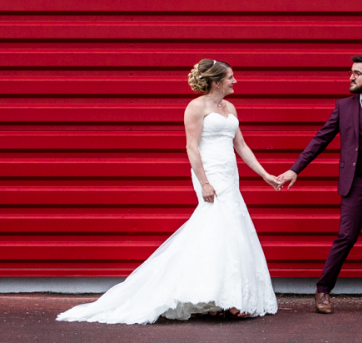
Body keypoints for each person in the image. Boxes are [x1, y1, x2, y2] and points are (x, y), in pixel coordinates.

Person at [57, 59, 281, 323]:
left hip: (230, 177)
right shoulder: (196, 107)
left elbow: (241, 145)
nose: (235, 81)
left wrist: (264, 174)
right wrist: (205, 182)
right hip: (209, 174)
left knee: (227, 228)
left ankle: (214, 298)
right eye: (231, 77)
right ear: (216, 81)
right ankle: (225, 300)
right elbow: (192, 148)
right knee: (221, 226)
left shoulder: (230, 107)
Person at [273, 54, 362, 314]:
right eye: (351, 72)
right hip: (354, 183)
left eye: (356, 73)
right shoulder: (343, 107)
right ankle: (323, 290)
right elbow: (320, 139)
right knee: (346, 236)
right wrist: (295, 169)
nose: (351, 76)